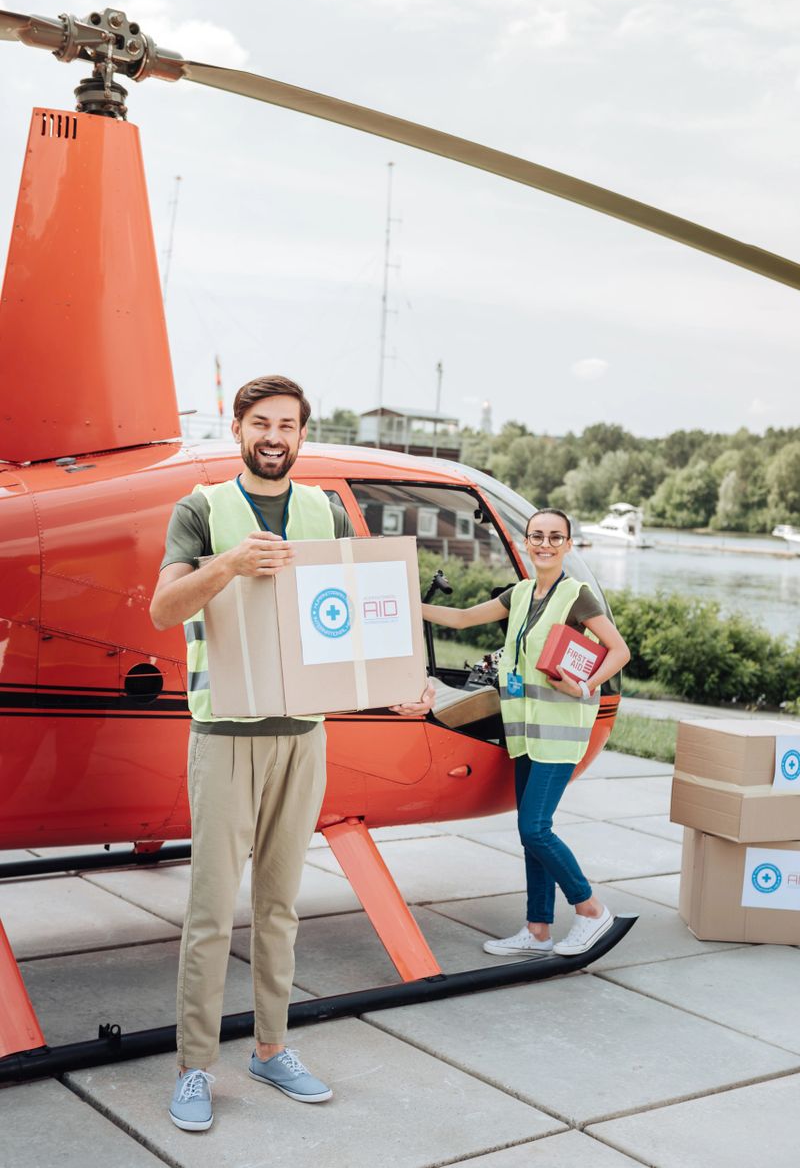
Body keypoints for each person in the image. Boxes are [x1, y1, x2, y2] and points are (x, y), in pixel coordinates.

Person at [151, 375, 433, 1131]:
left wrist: (401, 683)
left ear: (302, 434)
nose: (275, 436)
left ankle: (271, 1047)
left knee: (280, 908)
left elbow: (360, 613)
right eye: (261, 423)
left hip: (302, 737)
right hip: (224, 736)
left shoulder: (324, 510)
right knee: (211, 912)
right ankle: (194, 1067)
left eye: (288, 425)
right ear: (238, 427)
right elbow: (163, 607)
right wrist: (229, 565)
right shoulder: (201, 509)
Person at [421, 507, 629, 959]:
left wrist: (584, 684)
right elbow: (459, 619)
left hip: (559, 732)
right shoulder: (520, 594)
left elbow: (619, 650)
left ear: (568, 545)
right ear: (525, 542)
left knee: (535, 829)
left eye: (556, 537)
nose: (545, 544)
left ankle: (592, 910)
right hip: (524, 733)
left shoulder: (577, 595)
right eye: (537, 536)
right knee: (530, 830)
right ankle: (537, 930)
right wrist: (406, 605)